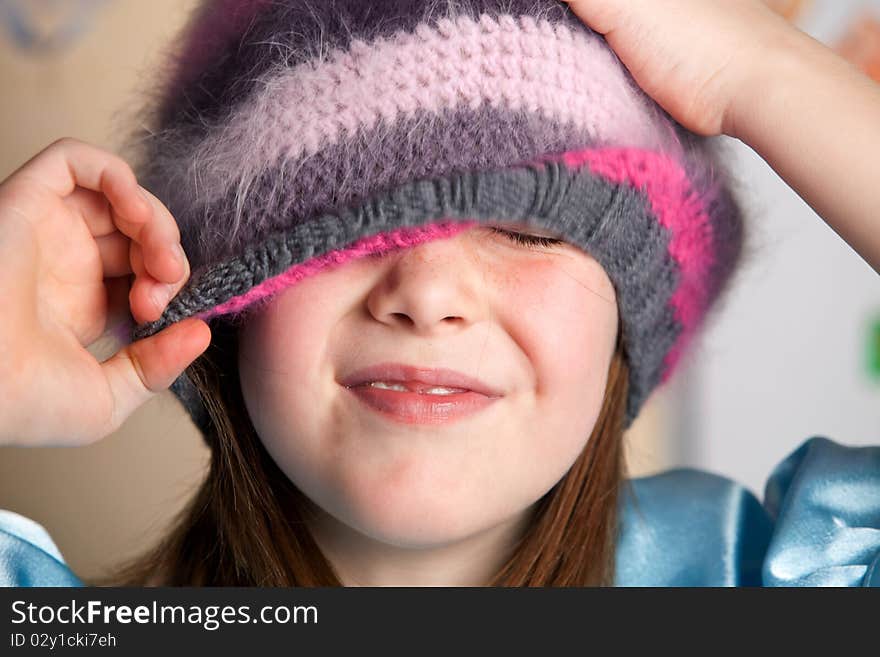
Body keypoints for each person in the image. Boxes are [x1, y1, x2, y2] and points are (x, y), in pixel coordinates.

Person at [0, 0, 877, 587]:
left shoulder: (775, 570)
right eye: (342, 228)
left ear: (627, 317)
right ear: (221, 308)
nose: (427, 294)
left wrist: (761, 72)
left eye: (528, 227)